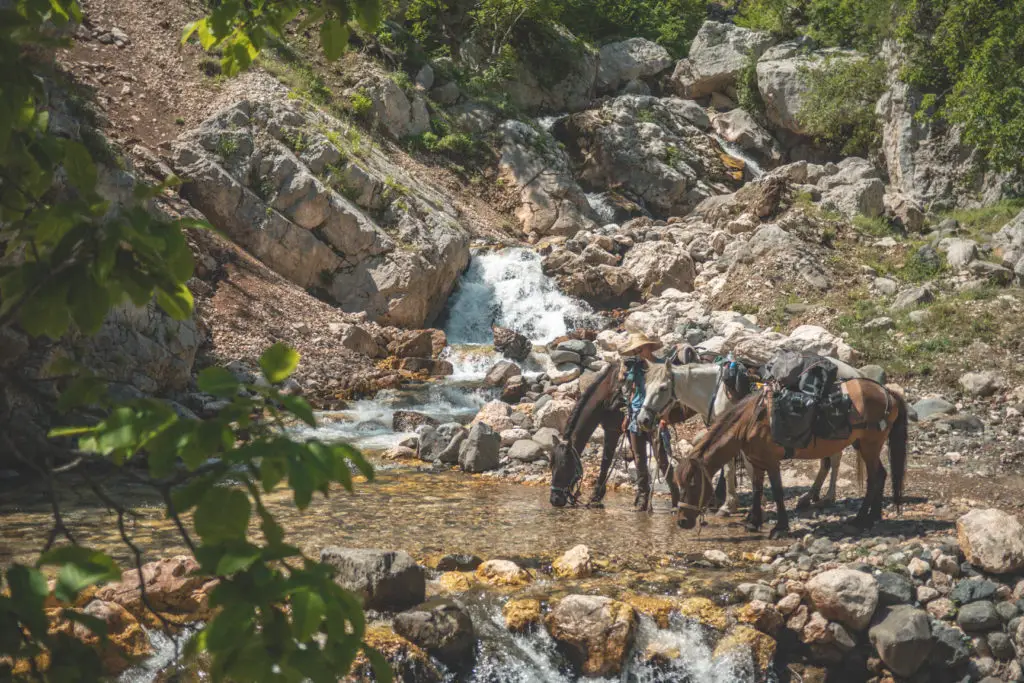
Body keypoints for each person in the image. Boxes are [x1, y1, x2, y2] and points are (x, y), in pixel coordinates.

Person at [619, 333, 677, 512]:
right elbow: (631, 392)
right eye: (635, 349)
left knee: (662, 459)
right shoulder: (635, 368)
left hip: (655, 417)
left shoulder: (662, 366)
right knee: (638, 458)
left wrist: (665, 417)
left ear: (648, 348)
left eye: (639, 348)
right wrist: (627, 416)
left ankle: (676, 495)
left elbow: (672, 396)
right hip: (636, 415)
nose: (636, 352)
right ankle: (643, 497)